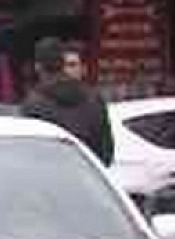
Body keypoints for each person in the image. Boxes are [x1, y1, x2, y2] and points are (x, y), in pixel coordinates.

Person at [20, 38, 115, 166]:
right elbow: (106, 150)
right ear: (63, 63)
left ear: (38, 67)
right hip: (88, 179)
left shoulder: (33, 105)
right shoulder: (94, 99)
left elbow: (30, 155)